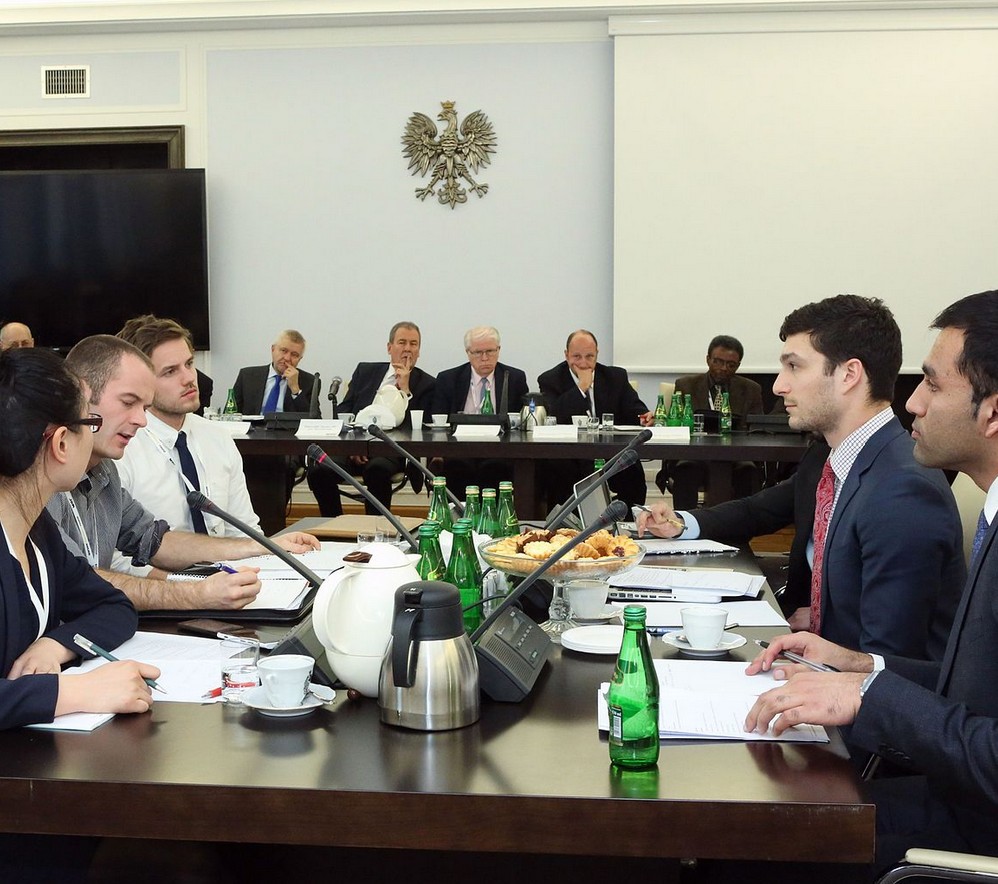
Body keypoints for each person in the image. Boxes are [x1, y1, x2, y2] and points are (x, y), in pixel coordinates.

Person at [744, 289, 998, 873]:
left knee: (740, 841)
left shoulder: (902, 487)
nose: (912, 402)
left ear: (992, 412)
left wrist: (867, 693)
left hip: (971, 829)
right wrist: (858, 666)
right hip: (954, 794)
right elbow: (971, 689)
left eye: (932, 384)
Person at [639, 295, 964, 661]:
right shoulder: (832, 454)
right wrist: (682, 523)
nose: (779, 386)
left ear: (849, 375)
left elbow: (884, 664)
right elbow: (761, 509)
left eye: (794, 366)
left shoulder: (902, 490)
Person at [46, 335, 317, 611]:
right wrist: (195, 593)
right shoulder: (45, 477)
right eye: (128, 402)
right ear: (81, 394)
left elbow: (155, 541)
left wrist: (262, 546)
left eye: (144, 407)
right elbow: (73, 581)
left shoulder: (105, 472)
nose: (141, 420)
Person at [307, 321, 436, 516]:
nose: (408, 349)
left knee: (376, 470)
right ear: (389, 347)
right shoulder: (365, 371)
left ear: (419, 351)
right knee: (319, 470)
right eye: (402, 342)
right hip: (353, 446)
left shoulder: (427, 384)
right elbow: (344, 410)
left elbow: (420, 428)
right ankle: (333, 522)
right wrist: (354, 444)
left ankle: (377, 526)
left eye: (413, 344)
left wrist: (406, 390)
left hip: (392, 451)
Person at [537, 329, 652, 508]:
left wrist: (644, 416)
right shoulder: (550, 379)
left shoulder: (615, 377)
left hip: (610, 451)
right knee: (557, 470)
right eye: (577, 356)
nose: (583, 363)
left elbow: (634, 408)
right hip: (571, 455)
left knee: (631, 469)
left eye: (589, 356)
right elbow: (554, 414)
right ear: (566, 355)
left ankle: (629, 519)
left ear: (597, 354)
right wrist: (581, 387)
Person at [656, 334, 765, 509]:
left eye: (730, 364)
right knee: (685, 469)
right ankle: (684, 522)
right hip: (695, 455)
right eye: (718, 362)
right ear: (708, 360)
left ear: (738, 365)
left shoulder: (751, 389)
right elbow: (679, 423)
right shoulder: (686, 385)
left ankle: (741, 524)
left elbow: (756, 429)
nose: (723, 368)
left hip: (735, 457)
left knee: (749, 471)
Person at [430, 325, 529, 496]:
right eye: (477, 352)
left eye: (490, 351)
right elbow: (438, 420)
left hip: (500, 450)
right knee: (457, 467)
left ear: (498, 350)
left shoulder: (514, 378)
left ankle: (493, 513)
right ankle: (460, 513)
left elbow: (523, 422)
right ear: (468, 353)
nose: (484, 358)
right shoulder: (448, 379)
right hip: (459, 449)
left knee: (494, 468)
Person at [231, 329, 316, 415]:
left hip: (287, 424)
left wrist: (295, 390)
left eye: (294, 355)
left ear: (300, 359)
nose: (287, 358)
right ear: (273, 349)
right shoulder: (247, 376)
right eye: (283, 350)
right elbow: (229, 414)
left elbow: (315, 419)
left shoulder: (310, 382)